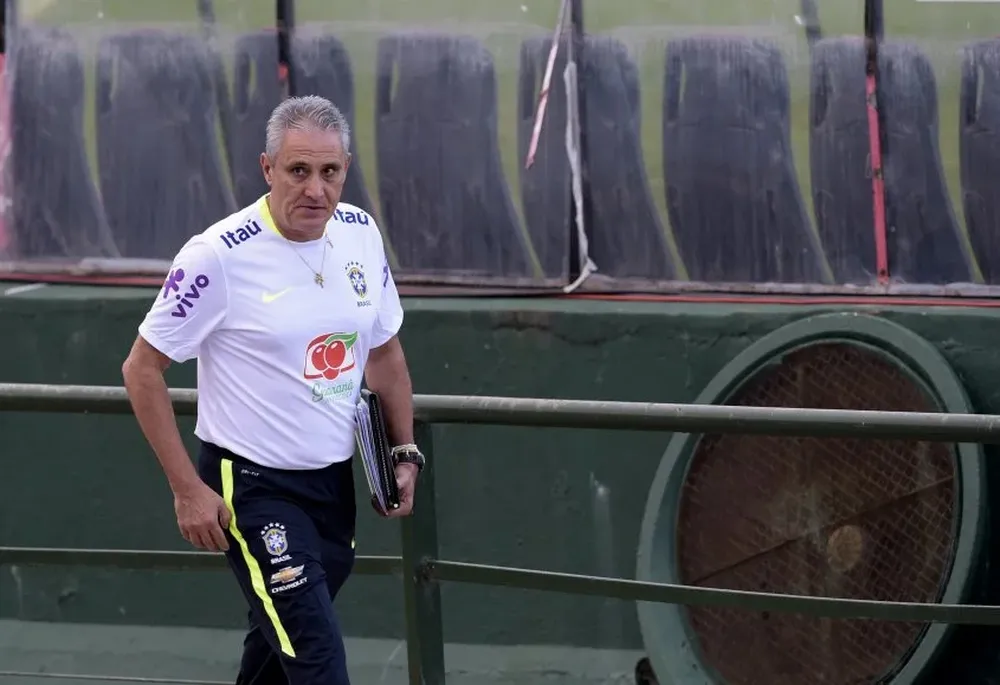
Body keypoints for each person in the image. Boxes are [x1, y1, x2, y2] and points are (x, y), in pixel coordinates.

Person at [121, 95, 425, 685]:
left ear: (346, 169)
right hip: (252, 488)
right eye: (298, 170)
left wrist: (403, 450)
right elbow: (141, 369)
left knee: (275, 650)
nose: (316, 189)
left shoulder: (361, 234)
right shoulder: (217, 256)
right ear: (267, 168)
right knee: (316, 654)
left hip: (332, 483)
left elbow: (384, 351)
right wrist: (187, 490)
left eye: (330, 172)